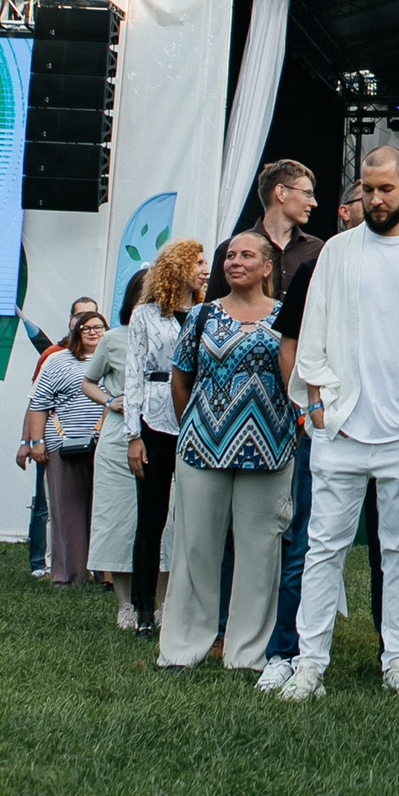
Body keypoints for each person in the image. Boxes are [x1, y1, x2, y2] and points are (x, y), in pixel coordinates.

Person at [276, 147, 399, 702]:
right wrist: (316, 402)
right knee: (323, 548)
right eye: (367, 189)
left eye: (385, 189)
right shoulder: (337, 252)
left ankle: (398, 659)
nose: (375, 199)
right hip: (342, 427)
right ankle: (309, 664)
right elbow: (314, 326)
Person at [159, 233, 295, 670]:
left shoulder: (287, 318)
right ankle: (183, 647)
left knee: (260, 553)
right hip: (202, 448)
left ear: (267, 266)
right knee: (195, 549)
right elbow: (181, 381)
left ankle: (248, 653)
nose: (236, 262)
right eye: (230, 256)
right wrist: (196, 428)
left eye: (247, 255)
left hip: (270, 450)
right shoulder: (200, 315)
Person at [250, 158, 336, 673]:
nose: (315, 203)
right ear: (280, 194)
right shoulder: (240, 247)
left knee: (307, 527)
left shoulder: (320, 252)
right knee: (266, 527)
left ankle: (304, 634)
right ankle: (254, 636)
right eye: (306, 192)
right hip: (256, 406)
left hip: (319, 410)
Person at [124, 240, 204, 633]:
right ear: (178, 268)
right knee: (151, 517)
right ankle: (143, 608)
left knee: (194, 519)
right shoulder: (145, 316)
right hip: (155, 419)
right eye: (197, 262)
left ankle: (188, 605)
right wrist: (132, 435)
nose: (205, 269)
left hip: (196, 418)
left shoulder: (208, 313)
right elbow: (133, 373)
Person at [81, 270, 160, 628]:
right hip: (117, 441)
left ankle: (159, 604)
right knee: (118, 520)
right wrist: (110, 400)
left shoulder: (175, 331)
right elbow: (88, 381)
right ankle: (126, 604)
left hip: (161, 433)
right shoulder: (113, 339)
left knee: (166, 522)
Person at [22, 308, 107, 584]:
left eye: (99, 327)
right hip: (63, 444)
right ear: (76, 332)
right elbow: (38, 403)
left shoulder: (117, 359)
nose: (94, 332)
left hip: (105, 444)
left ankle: (105, 574)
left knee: (105, 510)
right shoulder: (57, 361)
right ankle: (69, 575)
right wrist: (35, 442)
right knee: (67, 510)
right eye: (87, 328)